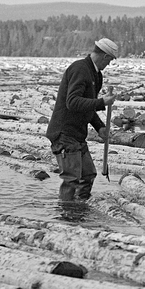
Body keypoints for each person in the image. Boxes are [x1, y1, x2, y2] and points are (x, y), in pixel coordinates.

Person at [45, 37, 119, 200]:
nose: (109, 64)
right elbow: (72, 102)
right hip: (64, 133)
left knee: (87, 175)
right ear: (105, 57)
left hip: (77, 134)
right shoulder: (79, 69)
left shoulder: (96, 75)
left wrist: (99, 126)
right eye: (110, 61)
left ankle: (79, 210)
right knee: (72, 179)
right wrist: (102, 102)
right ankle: (67, 216)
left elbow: (88, 105)